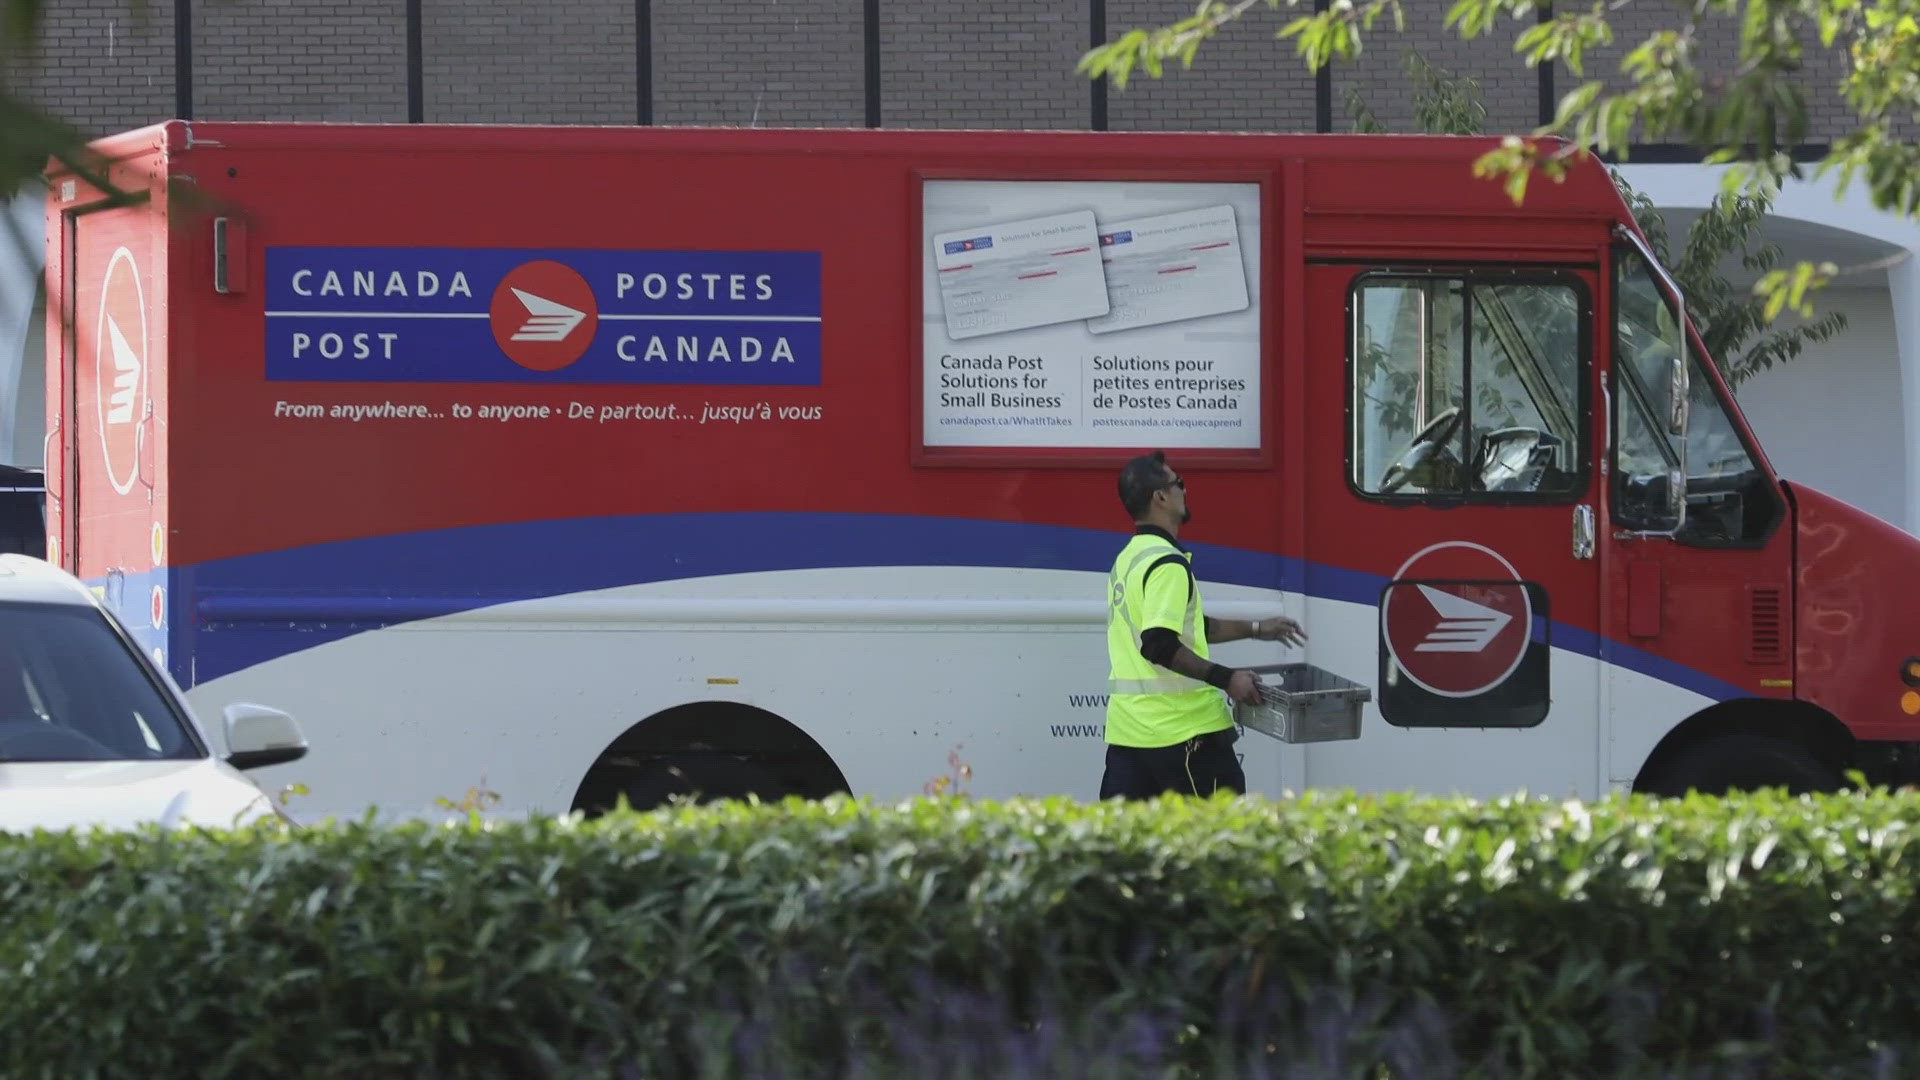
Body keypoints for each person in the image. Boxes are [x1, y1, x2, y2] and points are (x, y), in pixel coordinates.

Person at [1100, 451, 1306, 800]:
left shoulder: (1130, 558)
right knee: (1220, 843)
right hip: (1184, 738)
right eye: (1178, 483)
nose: (1185, 490)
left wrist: (1257, 628)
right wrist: (1228, 679)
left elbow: (1191, 628)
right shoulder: (1167, 564)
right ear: (1160, 497)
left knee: (1124, 849)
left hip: (1131, 737)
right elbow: (1159, 645)